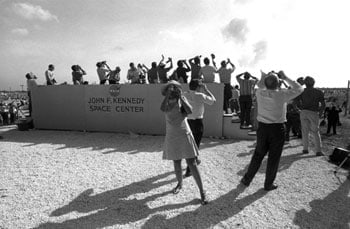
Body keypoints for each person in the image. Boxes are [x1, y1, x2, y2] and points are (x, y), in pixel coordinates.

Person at [241, 71, 303, 191]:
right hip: (277, 129)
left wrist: (266, 76)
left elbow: (260, 85)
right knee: (274, 158)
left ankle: (247, 179)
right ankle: (268, 184)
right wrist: (285, 77)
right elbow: (299, 88)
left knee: (258, 155)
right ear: (279, 83)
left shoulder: (259, 92)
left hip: (263, 128)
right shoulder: (282, 95)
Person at [160, 80, 208, 205]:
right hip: (172, 134)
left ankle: (202, 192)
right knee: (176, 162)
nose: (172, 90)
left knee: (192, 163)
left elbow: (189, 111)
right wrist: (167, 97)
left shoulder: (182, 99)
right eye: (170, 88)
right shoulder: (166, 101)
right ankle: (180, 184)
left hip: (184, 133)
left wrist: (181, 97)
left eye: (174, 87)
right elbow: (163, 109)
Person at [183, 80, 216, 177]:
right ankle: (189, 169)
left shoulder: (184, 94)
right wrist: (206, 90)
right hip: (197, 122)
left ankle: (195, 160)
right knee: (195, 145)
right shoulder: (200, 95)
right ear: (198, 87)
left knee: (190, 145)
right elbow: (213, 101)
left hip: (187, 122)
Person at [294, 76, 326, 156]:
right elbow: (323, 104)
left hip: (304, 112)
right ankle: (318, 151)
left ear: (305, 83)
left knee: (305, 131)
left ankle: (305, 149)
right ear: (313, 83)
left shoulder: (302, 91)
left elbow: (294, 102)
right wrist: (321, 113)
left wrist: (298, 110)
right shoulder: (319, 92)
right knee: (315, 132)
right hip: (313, 112)